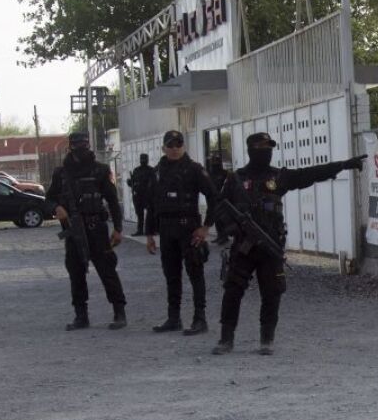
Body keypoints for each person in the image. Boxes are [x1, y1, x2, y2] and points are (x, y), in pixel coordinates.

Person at [212, 132, 366, 356]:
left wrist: (343, 165)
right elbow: (220, 207)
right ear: (251, 149)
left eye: (269, 147)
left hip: (270, 246)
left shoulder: (278, 177)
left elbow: (309, 174)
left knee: (272, 292)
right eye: (262, 147)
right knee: (233, 290)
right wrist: (232, 228)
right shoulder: (236, 179)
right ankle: (226, 339)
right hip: (244, 246)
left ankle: (267, 340)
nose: (267, 151)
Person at [45, 131, 128, 331]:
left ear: (89, 145)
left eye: (84, 144)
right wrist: (56, 208)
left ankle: (119, 312)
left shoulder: (100, 170)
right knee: (76, 273)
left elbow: (112, 202)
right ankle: (81, 316)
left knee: (107, 271)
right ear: (70, 147)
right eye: (77, 145)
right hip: (74, 231)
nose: (81, 149)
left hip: (97, 229)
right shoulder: (61, 173)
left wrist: (118, 229)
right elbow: (48, 199)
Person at [145, 130, 218, 335]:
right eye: (170, 145)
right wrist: (150, 234)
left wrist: (206, 227)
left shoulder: (194, 169)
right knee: (171, 275)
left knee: (195, 273)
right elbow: (152, 204)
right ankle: (174, 317)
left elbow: (214, 197)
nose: (175, 148)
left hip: (189, 228)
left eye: (178, 144)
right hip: (166, 229)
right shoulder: (157, 171)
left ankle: (200, 319)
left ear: (183, 146)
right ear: (163, 148)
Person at [206, 152, 234, 244]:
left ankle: (224, 236)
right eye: (213, 160)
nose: (214, 162)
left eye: (216, 160)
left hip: (223, 199)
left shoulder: (225, 173)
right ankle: (219, 235)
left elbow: (228, 186)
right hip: (213, 198)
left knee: (222, 218)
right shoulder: (209, 173)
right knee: (216, 218)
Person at [128, 153, 154, 235]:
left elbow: (154, 183)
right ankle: (140, 230)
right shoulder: (136, 170)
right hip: (138, 196)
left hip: (148, 196)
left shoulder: (151, 170)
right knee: (140, 215)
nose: (143, 161)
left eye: (144, 159)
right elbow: (132, 183)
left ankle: (149, 230)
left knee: (150, 214)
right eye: (142, 159)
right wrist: (130, 182)